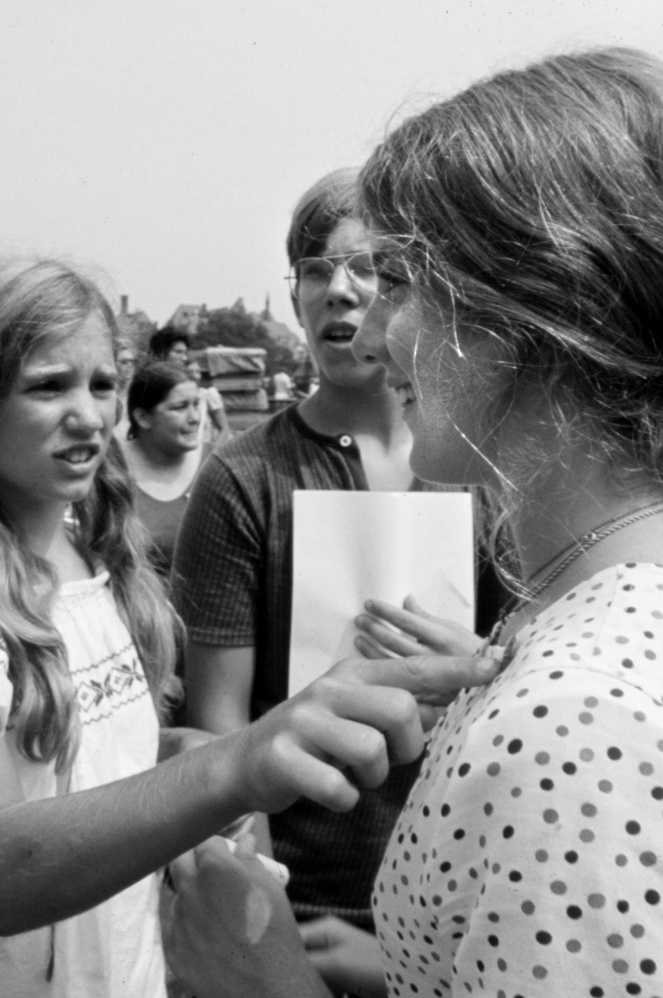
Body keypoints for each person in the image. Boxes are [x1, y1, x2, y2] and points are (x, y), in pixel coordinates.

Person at [166, 48, 663, 998]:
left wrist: (263, 980)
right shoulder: (618, 606)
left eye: (404, 283)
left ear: (533, 317)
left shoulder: (591, 725)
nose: (376, 335)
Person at [0, 256, 494, 998]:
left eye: (101, 384)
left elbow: (66, 766)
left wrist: (166, 752)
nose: (89, 415)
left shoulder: (98, 565)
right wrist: (233, 765)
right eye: (47, 386)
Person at [169, 167, 493, 948]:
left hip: (466, 902)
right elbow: (216, 732)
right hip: (304, 907)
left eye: (370, 268)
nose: (340, 292)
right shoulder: (242, 477)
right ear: (295, 300)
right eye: (316, 270)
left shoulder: (490, 468)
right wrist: (263, 917)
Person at [125, 361, 207, 577]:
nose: (195, 418)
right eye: (180, 407)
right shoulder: (112, 471)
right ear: (143, 417)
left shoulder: (215, 465)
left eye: (196, 405)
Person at [186, 358, 229, 446]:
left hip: (204, 449)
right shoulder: (178, 398)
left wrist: (212, 451)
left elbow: (224, 429)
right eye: (190, 372)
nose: (195, 376)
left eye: (197, 372)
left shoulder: (208, 394)